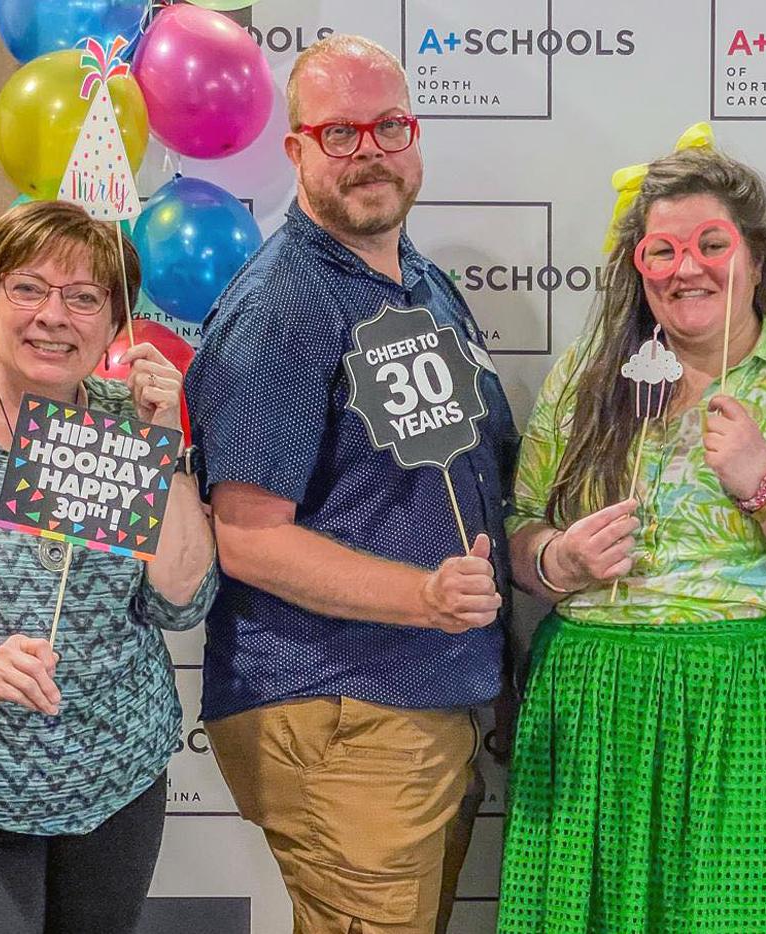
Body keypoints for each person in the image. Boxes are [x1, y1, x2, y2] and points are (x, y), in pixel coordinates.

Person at [495, 144, 766, 933]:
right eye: (663, 250)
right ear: (638, 267)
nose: (687, 269)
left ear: (755, 259)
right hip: (595, 707)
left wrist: (765, 482)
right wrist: (558, 558)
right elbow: (519, 527)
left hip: (759, 707)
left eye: (711, 244)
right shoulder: (586, 379)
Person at [183, 33, 518, 934]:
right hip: (343, 707)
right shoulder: (281, 305)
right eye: (340, 133)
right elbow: (248, 536)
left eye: (389, 126)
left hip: (422, 701)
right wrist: (424, 596)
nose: (369, 151)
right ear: (297, 149)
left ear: (416, 136)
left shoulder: (421, 283)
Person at [0, 199, 217, 934]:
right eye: (28, 288)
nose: (53, 316)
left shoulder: (125, 421)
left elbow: (182, 603)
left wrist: (166, 448)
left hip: (115, 788)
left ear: (115, 323)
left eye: (84, 298)